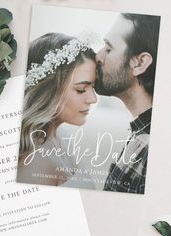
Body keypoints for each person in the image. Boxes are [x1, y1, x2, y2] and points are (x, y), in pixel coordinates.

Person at [17, 32, 98, 186]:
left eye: (93, 87)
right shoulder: (36, 162)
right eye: (81, 89)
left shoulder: (63, 136)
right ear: (48, 91)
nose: (93, 99)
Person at [95, 13, 160, 194]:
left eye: (108, 48)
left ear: (140, 63)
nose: (98, 56)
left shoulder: (150, 150)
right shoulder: (142, 134)